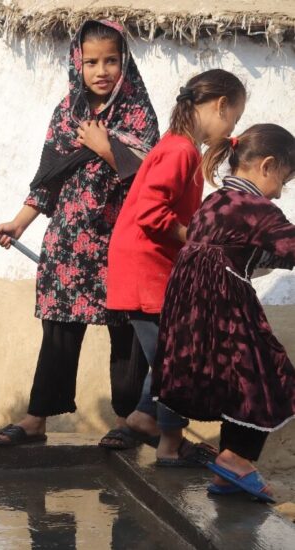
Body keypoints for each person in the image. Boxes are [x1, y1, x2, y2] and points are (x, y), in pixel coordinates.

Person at [0, 19, 159, 445]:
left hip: (120, 244)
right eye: (91, 62)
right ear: (76, 64)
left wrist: (107, 148)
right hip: (68, 244)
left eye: (111, 61)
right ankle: (36, 419)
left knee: (126, 336)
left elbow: (153, 179)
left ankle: (126, 422)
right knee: (59, 332)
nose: (101, 70)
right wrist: (18, 223)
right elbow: (47, 180)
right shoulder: (66, 112)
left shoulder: (138, 111)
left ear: (125, 63)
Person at [103, 69, 247, 465]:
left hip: (149, 269)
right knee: (178, 359)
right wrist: (195, 241)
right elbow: (152, 213)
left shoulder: (179, 147)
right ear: (220, 106)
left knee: (171, 354)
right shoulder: (180, 151)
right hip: (146, 271)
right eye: (233, 118)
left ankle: (150, 422)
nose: (232, 126)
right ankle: (164, 440)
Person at [153, 124, 295, 503]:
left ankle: (229, 476)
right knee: (270, 375)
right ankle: (235, 459)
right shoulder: (257, 208)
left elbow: (242, 248)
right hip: (226, 303)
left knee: (239, 381)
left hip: (189, 309)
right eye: (283, 180)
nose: (280, 191)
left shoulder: (214, 202)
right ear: (267, 166)